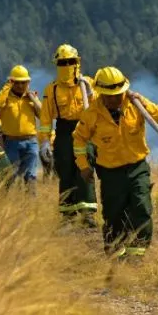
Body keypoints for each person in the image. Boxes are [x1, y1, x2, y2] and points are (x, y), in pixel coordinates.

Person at [73, 67, 158, 260]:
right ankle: (115, 253)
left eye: (118, 94)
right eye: (110, 96)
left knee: (141, 208)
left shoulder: (135, 104)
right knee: (114, 214)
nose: (115, 99)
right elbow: (79, 139)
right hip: (110, 173)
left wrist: (143, 102)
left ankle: (137, 255)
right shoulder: (92, 114)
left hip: (137, 167)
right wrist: (83, 166)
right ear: (101, 93)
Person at [38, 44, 98, 225]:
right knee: (65, 171)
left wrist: (91, 93)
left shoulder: (87, 83)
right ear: (57, 65)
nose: (66, 66)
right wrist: (44, 142)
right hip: (63, 132)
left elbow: (98, 108)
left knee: (85, 169)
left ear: (77, 63)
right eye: (62, 63)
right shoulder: (52, 89)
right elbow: (45, 118)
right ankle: (67, 215)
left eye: (70, 62)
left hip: (84, 130)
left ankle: (87, 214)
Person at [0, 65, 43, 191]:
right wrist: (7, 86)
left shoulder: (31, 98)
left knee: (30, 176)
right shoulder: (6, 98)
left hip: (31, 142)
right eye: (17, 82)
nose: (20, 86)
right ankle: (11, 199)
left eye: (23, 82)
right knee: (12, 175)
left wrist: (34, 100)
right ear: (11, 82)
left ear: (28, 83)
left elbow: (44, 115)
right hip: (11, 142)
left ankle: (30, 200)